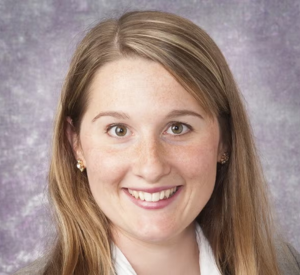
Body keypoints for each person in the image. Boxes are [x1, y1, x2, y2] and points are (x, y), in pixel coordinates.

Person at [14, 10, 300, 275]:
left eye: (177, 128)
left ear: (224, 140)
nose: (151, 167)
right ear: (76, 144)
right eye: (119, 130)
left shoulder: (285, 266)